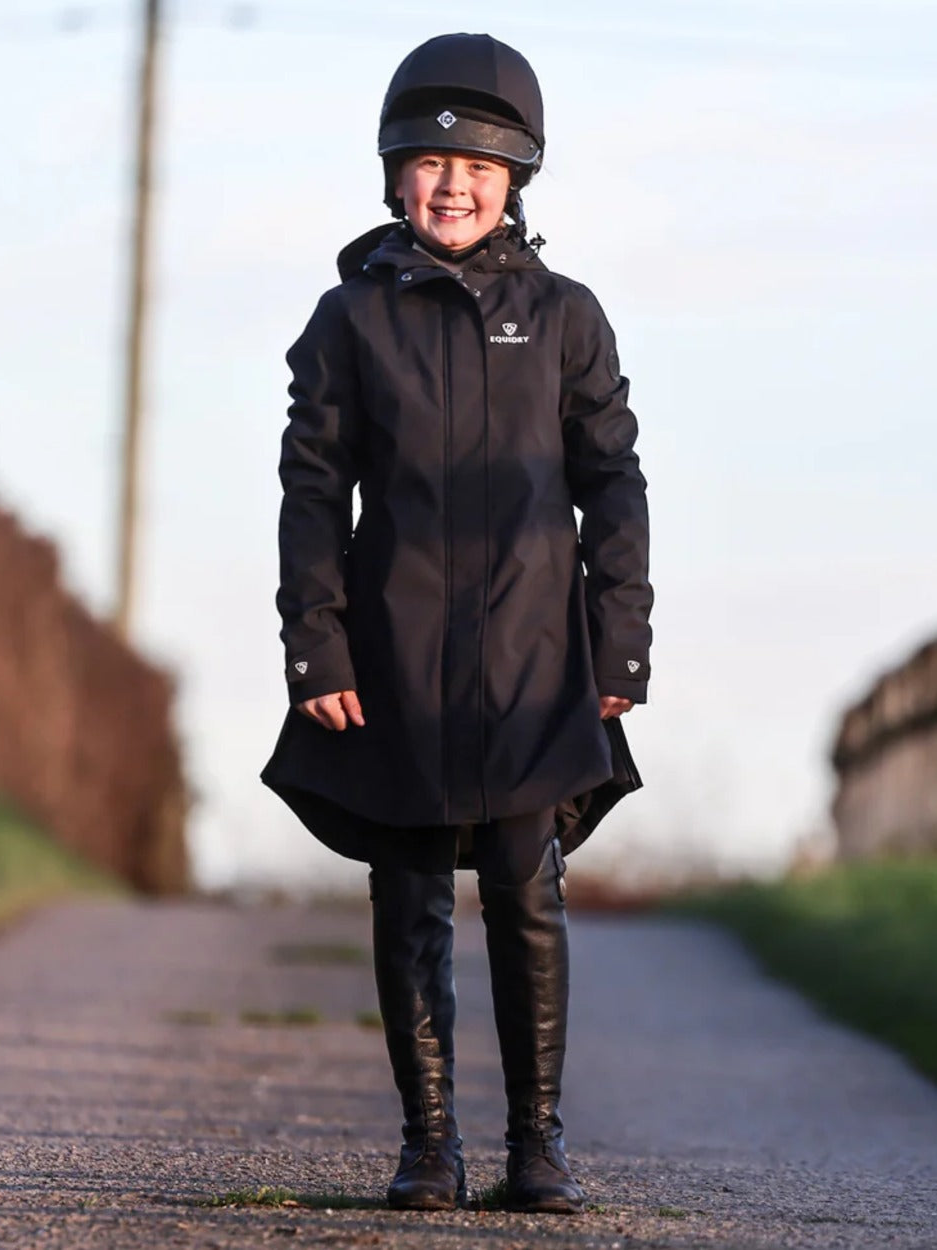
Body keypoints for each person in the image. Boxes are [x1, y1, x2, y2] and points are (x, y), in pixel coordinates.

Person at [262, 32, 652, 1215]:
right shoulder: (347, 321)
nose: (453, 183)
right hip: (396, 656)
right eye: (430, 162)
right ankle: (428, 1144)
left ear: (516, 180)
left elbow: (615, 483)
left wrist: (618, 637)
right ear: (393, 175)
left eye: (480, 167)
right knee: (411, 887)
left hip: (540, 657)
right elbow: (313, 489)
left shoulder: (569, 318)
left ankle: (539, 1144)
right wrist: (316, 639)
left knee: (527, 889)